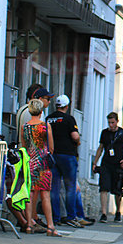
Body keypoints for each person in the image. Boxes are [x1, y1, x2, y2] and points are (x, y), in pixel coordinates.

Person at [19, 99, 59, 237]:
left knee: (30, 193)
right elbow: (51, 147)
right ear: (41, 111)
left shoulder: (24, 127)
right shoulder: (45, 126)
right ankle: (50, 227)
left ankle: (29, 224)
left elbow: (23, 145)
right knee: (45, 195)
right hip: (43, 163)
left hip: (30, 162)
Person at [45, 95, 86, 228]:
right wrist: (78, 141)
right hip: (67, 156)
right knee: (70, 187)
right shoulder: (69, 119)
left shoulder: (49, 118)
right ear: (67, 106)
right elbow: (74, 136)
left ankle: (55, 217)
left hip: (52, 155)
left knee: (54, 188)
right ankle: (71, 216)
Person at [92, 112, 123, 223]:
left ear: (117, 121)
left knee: (117, 189)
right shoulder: (105, 133)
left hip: (118, 164)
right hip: (106, 163)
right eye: (109, 123)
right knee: (104, 188)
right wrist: (95, 162)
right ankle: (104, 213)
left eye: (113, 122)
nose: (111, 125)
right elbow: (100, 148)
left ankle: (118, 211)